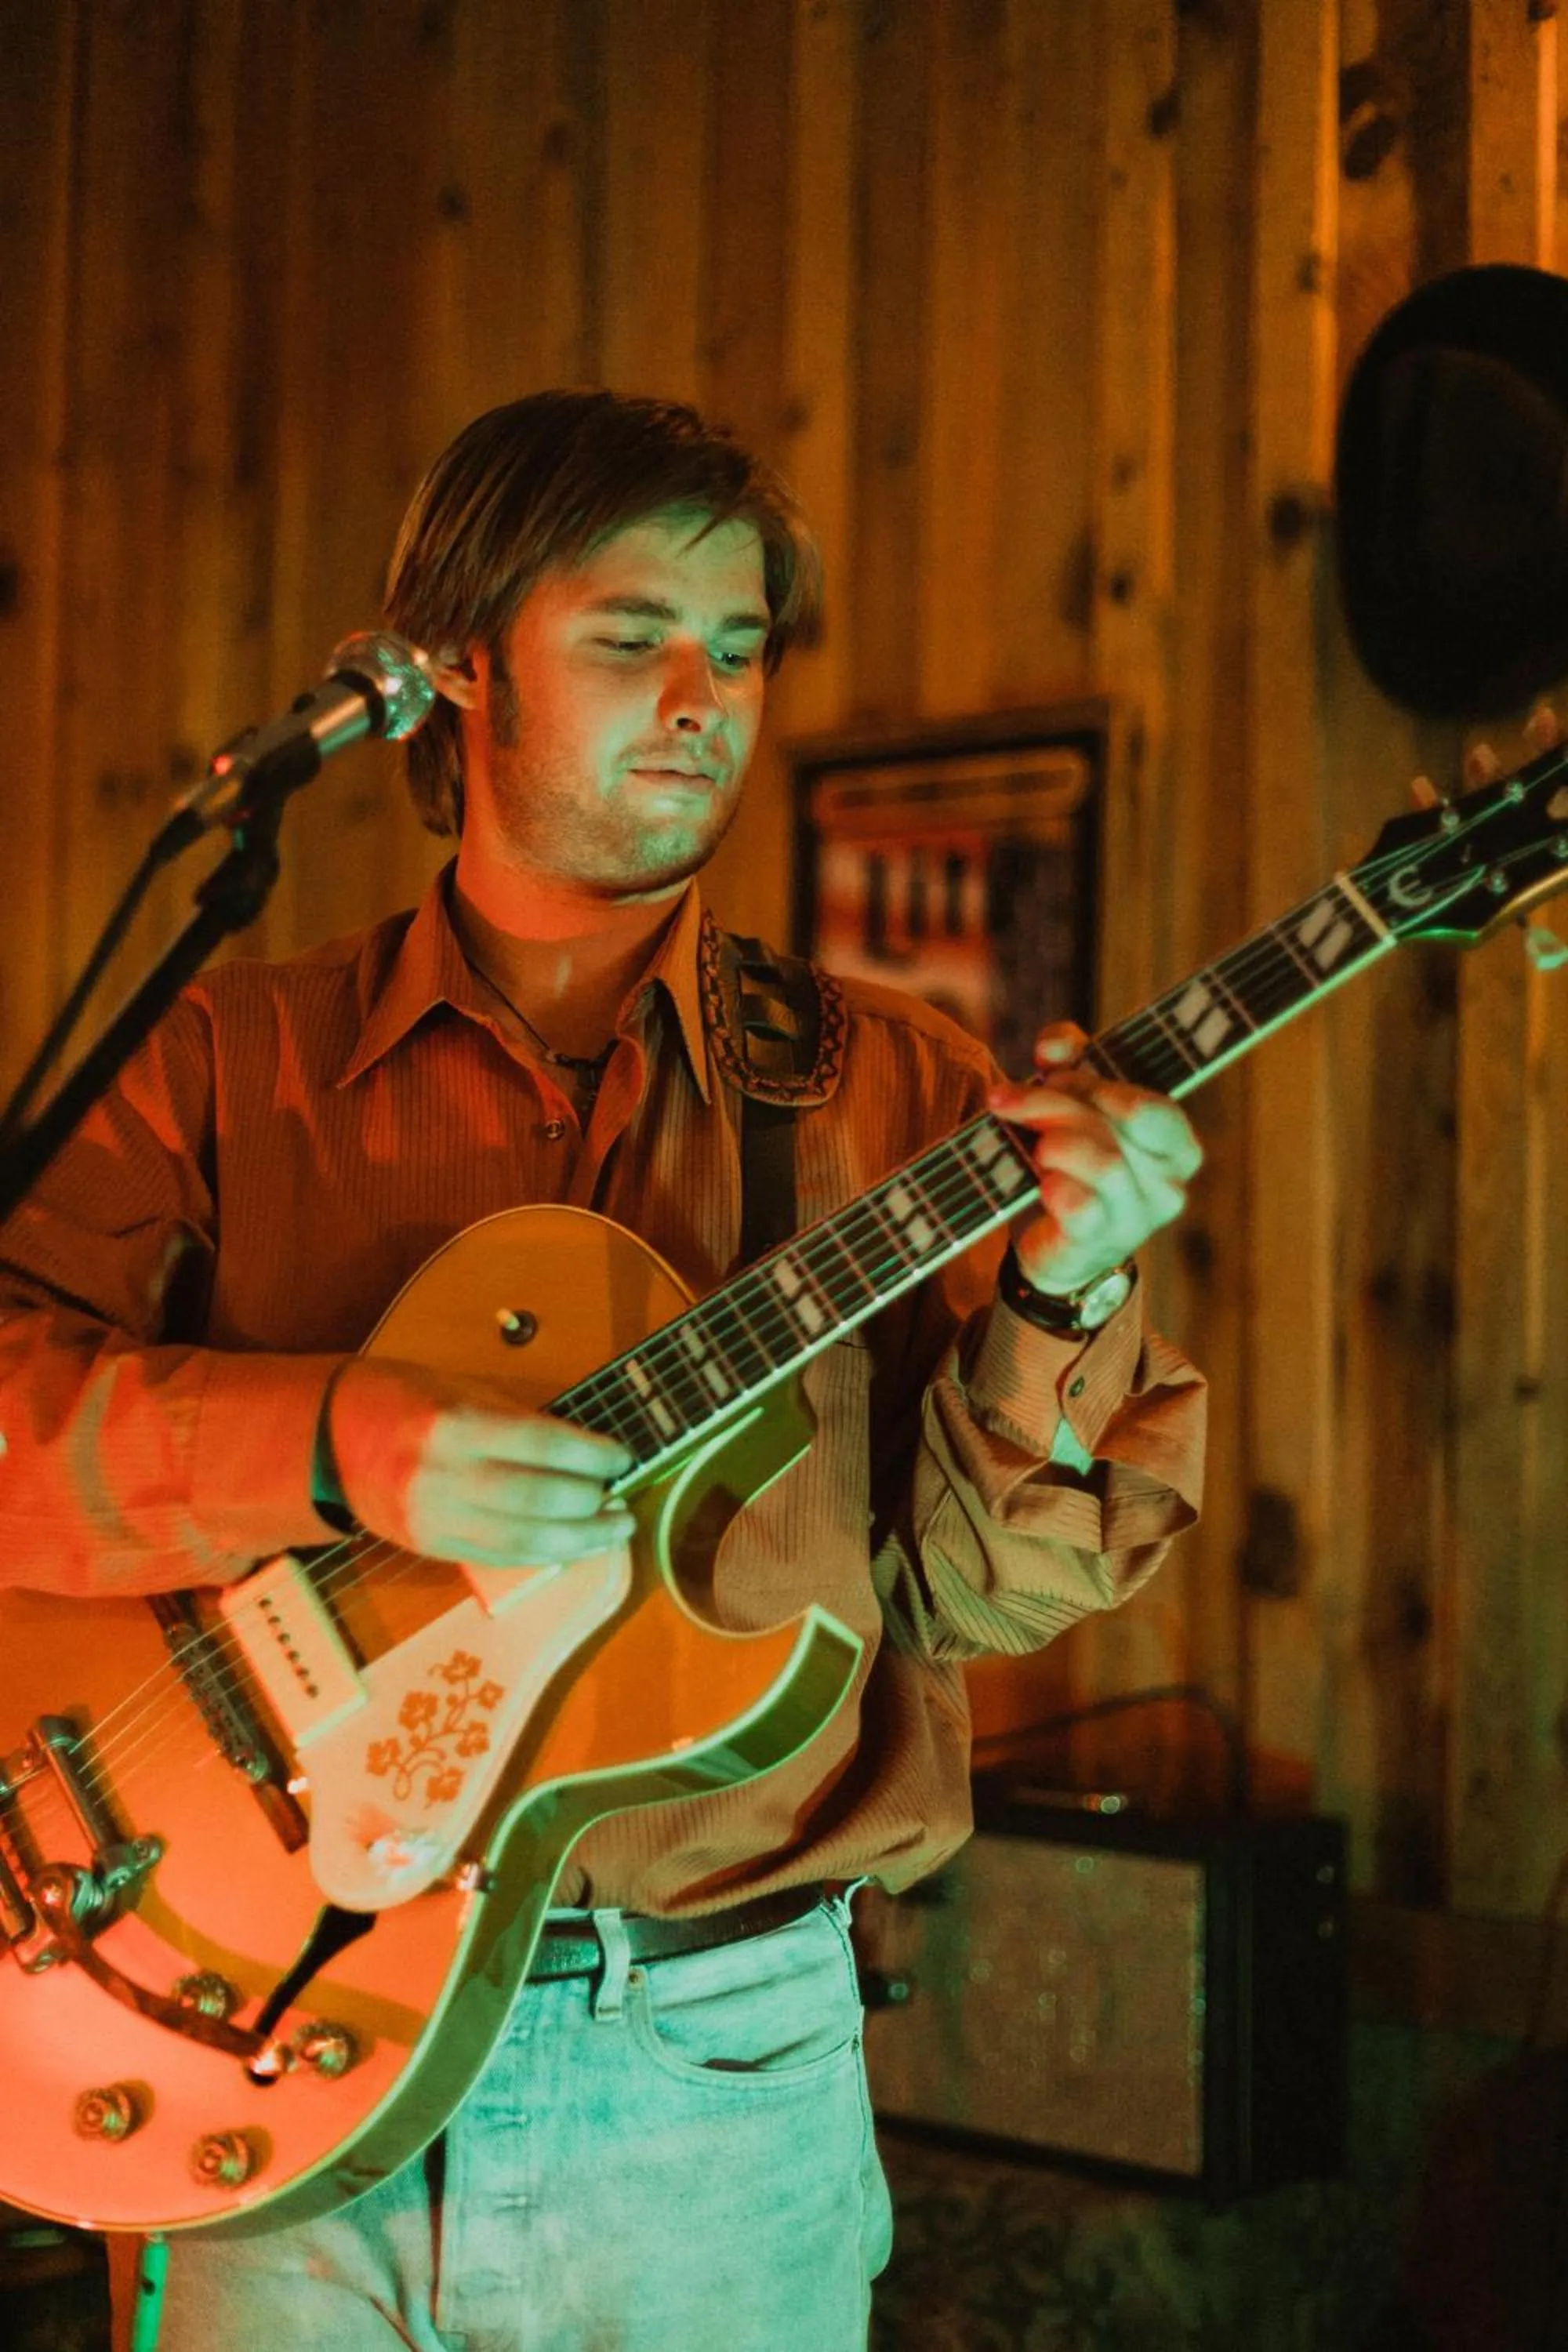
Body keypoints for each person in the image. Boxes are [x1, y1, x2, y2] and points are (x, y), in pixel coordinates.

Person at [0, 391, 1206, 2352]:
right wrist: (337, 1443)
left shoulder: (888, 1088)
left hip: (718, 2073)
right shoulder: (228, 1065)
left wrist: (1060, 1299)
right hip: (280, 2022)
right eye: (632, 639)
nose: (702, 699)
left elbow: (963, 1599)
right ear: (462, 666)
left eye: (736, 651)